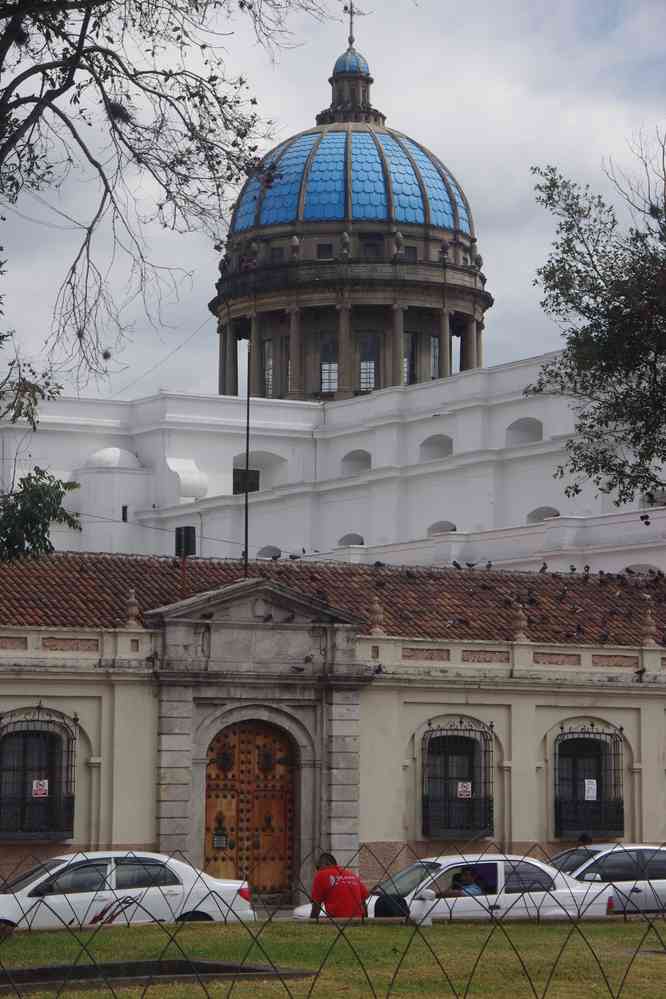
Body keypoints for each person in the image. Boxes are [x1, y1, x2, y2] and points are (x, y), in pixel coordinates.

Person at [310, 852, 369, 920]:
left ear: (327, 863)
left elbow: (316, 906)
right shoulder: (351, 875)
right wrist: (365, 923)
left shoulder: (321, 875)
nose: (317, 870)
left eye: (318, 867)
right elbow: (364, 903)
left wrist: (311, 923)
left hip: (337, 922)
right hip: (358, 921)